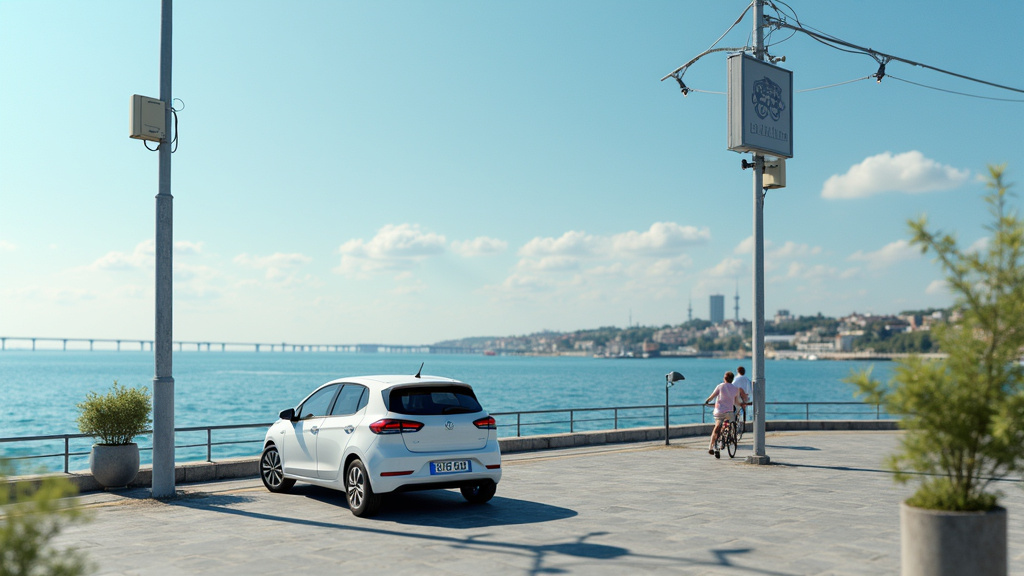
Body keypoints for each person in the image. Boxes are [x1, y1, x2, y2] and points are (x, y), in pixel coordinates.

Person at [704, 371, 749, 459]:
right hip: (729, 412)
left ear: (724, 378)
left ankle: (711, 447)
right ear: (732, 379)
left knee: (717, 427)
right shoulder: (736, 389)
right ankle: (729, 436)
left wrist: (707, 401)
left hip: (719, 411)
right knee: (732, 423)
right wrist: (742, 404)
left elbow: (712, 396)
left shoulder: (720, 386)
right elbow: (737, 401)